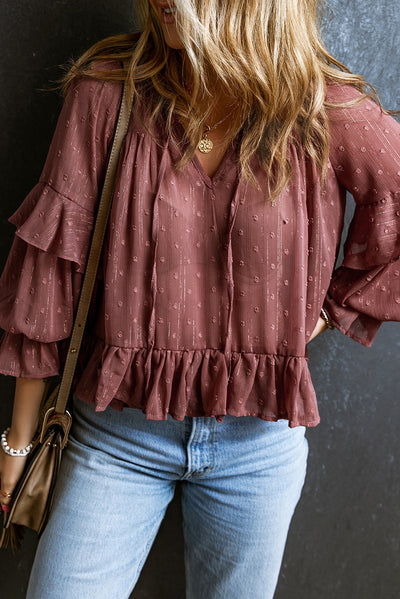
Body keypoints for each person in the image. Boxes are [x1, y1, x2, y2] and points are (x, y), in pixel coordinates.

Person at [0, 0, 399, 597]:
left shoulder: (319, 107)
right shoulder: (108, 93)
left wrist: (322, 316)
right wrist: (17, 437)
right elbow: (48, 272)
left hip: (258, 446)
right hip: (117, 437)